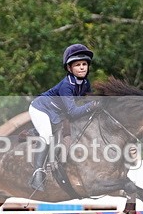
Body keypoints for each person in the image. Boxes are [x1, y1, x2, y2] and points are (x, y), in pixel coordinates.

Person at [27, 43, 99, 191]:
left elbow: (88, 100)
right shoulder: (67, 85)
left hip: (56, 112)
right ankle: (38, 173)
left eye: (84, 64)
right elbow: (73, 112)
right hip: (41, 109)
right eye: (77, 65)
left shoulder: (85, 83)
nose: (82, 68)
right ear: (69, 68)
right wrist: (92, 106)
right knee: (46, 136)